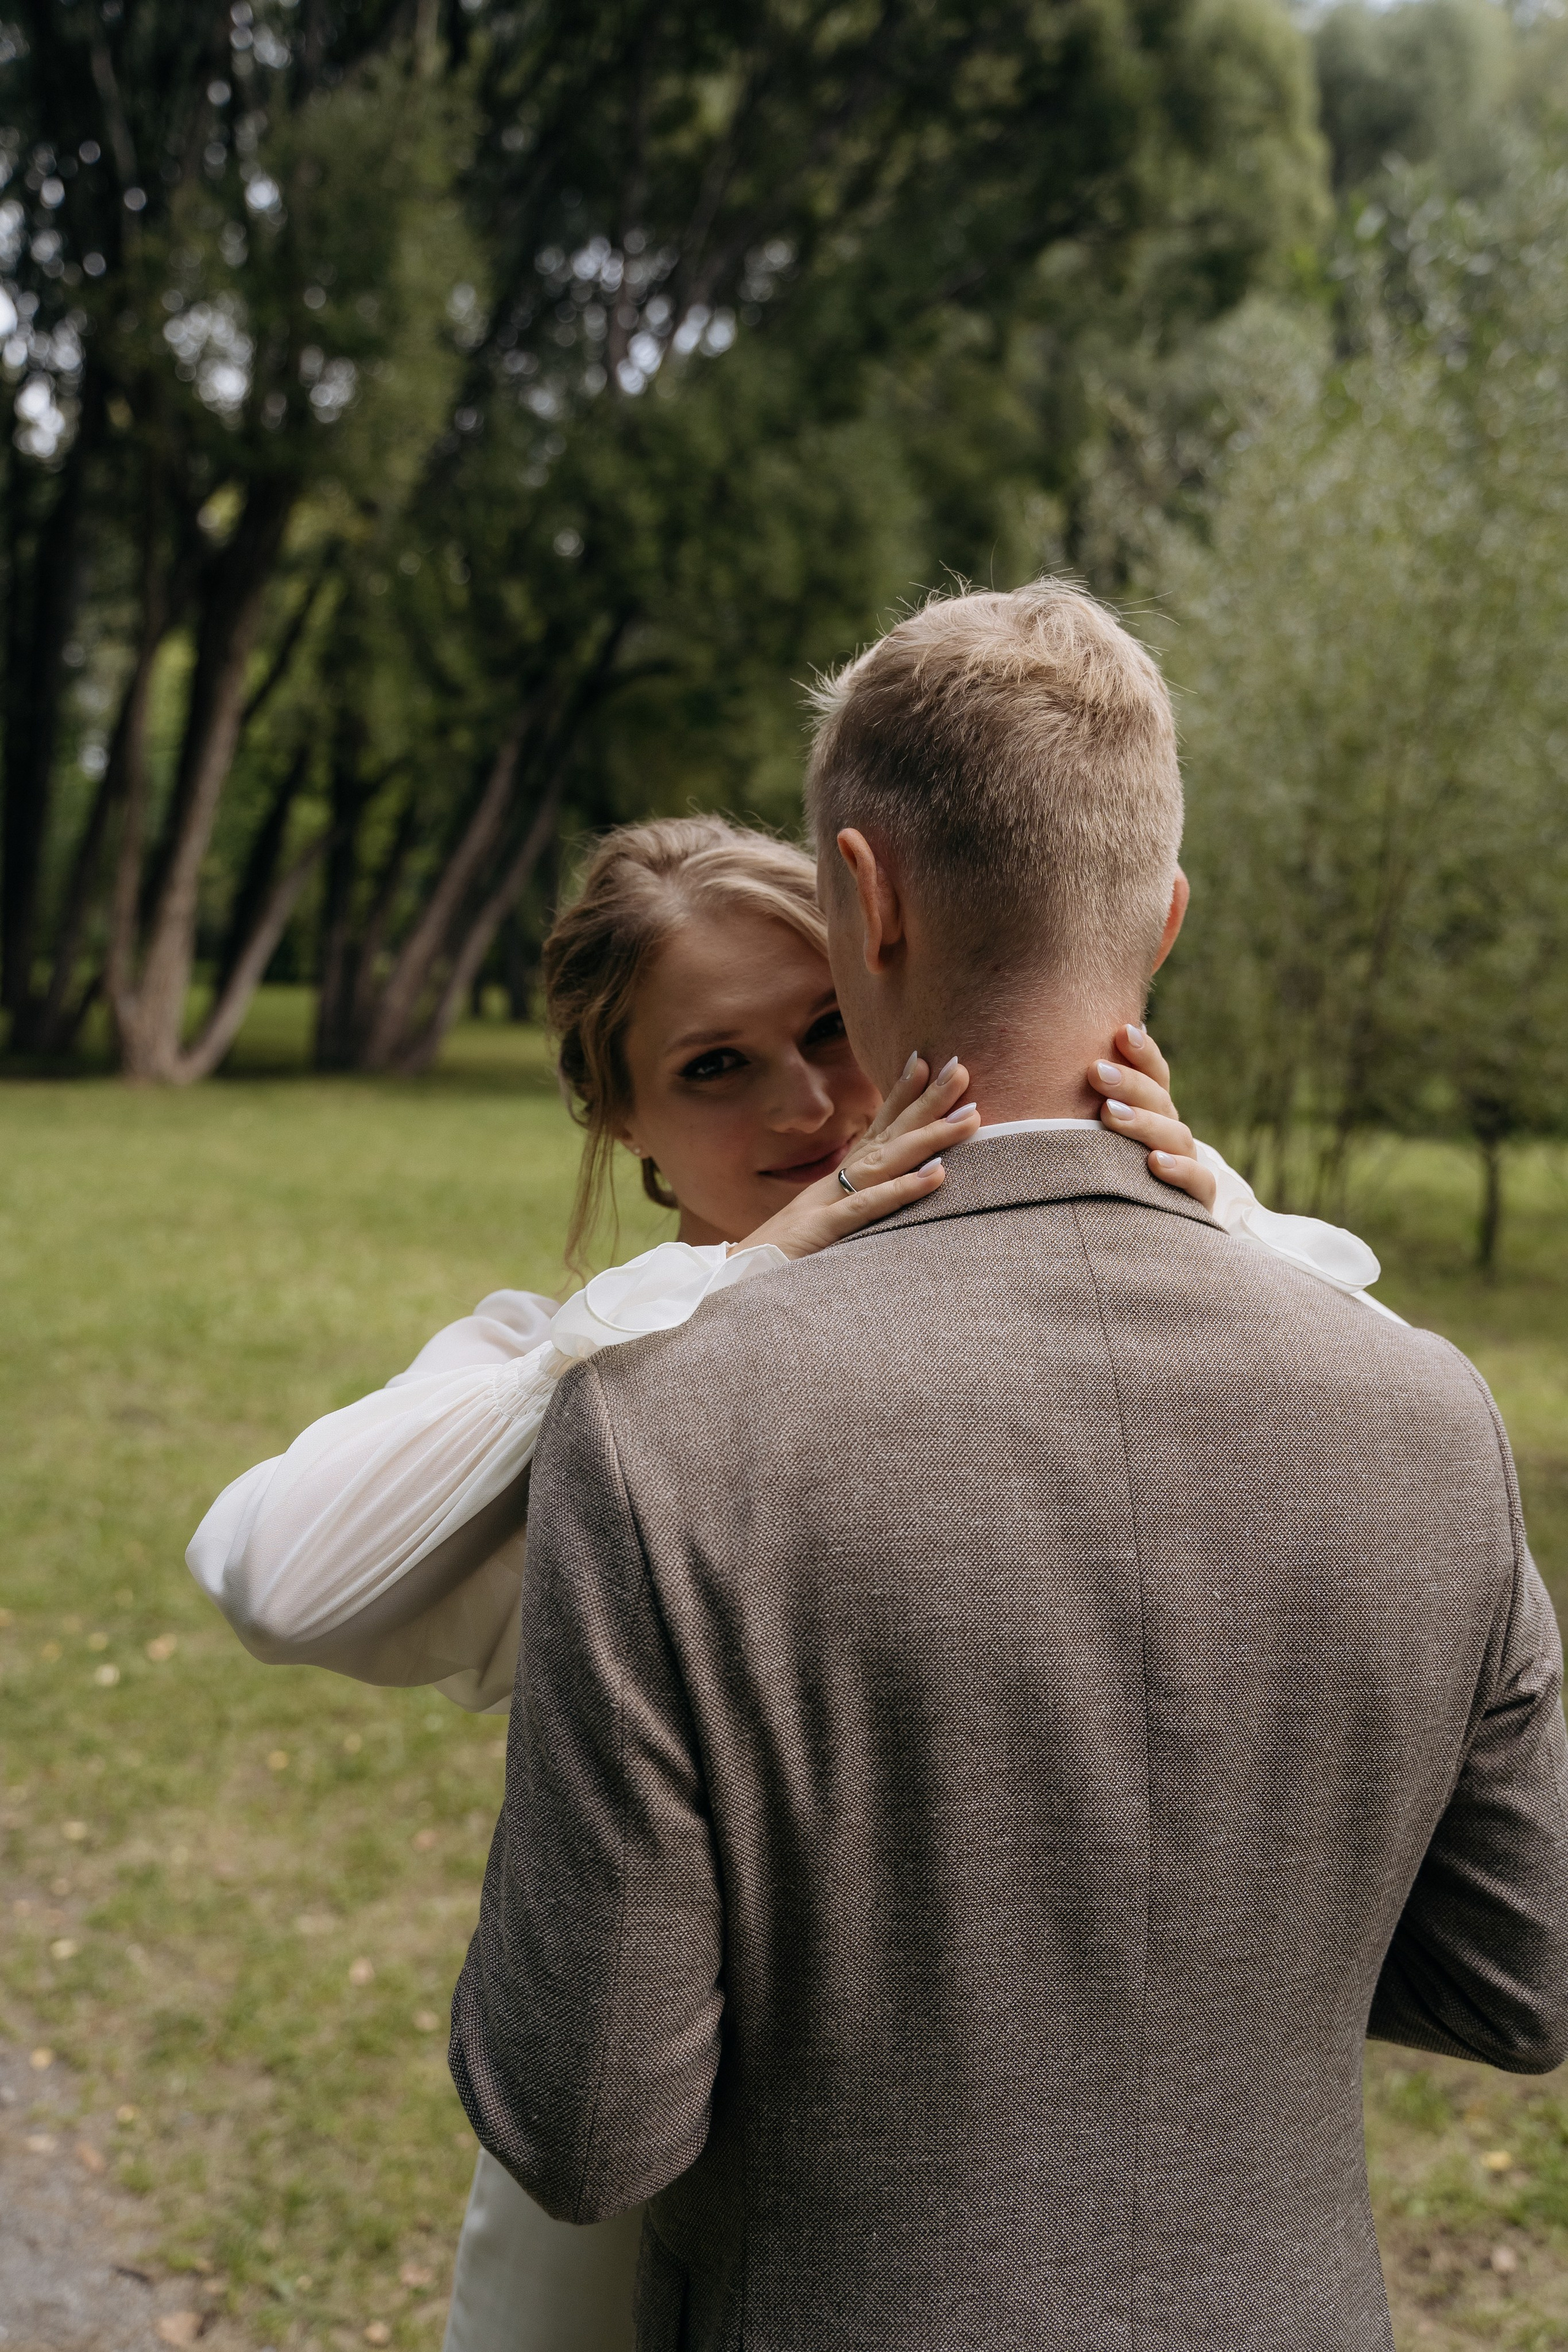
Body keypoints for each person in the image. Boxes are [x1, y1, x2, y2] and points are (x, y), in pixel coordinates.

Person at [450, 587, 1568, 2352]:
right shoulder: (1433, 1414)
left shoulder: (665, 1436)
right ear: (1166, 924)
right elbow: (1523, 1974)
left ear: (862, 903)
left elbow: (586, 2124)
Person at [190, 822, 1386, 2352]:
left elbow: (1380, 1424)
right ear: (619, 1121)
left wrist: (1191, 1192)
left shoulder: (1039, 1334)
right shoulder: (571, 1374)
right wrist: (730, 1289)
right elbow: (279, 1580)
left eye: (828, 1027)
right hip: (648, 2179)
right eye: (714, 1068)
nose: (811, 1104)